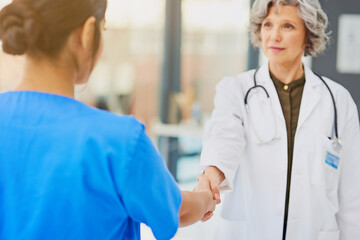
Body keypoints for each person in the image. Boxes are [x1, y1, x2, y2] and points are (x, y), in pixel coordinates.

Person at [0, 0, 217, 239]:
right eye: (103, 30)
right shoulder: (120, 141)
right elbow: (176, 211)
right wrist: (205, 196)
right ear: (86, 33)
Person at [197, 0, 360, 239]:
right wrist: (210, 177)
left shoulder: (338, 100)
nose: (274, 35)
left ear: (308, 35)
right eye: (267, 25)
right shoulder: (235, 90)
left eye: (287, 26)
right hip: (251, 231)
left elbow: (352, 194)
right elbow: (224, 138)